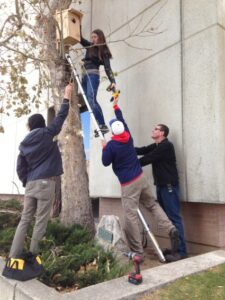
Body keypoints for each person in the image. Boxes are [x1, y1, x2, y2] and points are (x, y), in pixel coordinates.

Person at [101, 97, 179, 261]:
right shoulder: (128, 136)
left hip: (129, 184)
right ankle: (170, 228)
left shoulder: (112, 146)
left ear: (112, 132)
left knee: (130, 215)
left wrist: (104, 147)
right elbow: (122, 120)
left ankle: (138, 252)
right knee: (152, 205)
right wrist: (116, 106)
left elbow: (105, 162)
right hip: (141, 178)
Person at [8, 84, 73, 260]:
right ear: (42, 123)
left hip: (30, 184)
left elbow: (20, 166)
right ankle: (32, 257)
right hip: (46, 183)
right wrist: (67, 96)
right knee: (41, 221)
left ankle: (13, 255)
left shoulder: (24, 143)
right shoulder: (47, 132)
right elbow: (61, 116)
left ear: (30, 126)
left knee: (25, 220)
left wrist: (25, 181)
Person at [135, 124, 187, 261]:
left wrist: (129, 164)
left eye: (156, 129)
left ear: (162, 133)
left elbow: (148, 158)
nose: (153, 130)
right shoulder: (157, 145)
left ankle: (181, 252)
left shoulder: (166, 146)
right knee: (168, 219)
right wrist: (124, 148)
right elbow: (142, 150)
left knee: (174, 218)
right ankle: (175, 249)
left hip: (169, 187)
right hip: (161, 186)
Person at [79, 28, 116, 134]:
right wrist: (79, 23)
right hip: (84, 76)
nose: (93, 39)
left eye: (95, 37)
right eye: (92, 37)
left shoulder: (103, 51)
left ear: (100, 37)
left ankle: (102, 124)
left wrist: (113, 81)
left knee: (91, 99)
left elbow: (108, 68)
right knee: (87, 102)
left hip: (92, 75)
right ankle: (99, 124)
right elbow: (80, 39)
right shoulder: (89, 46)